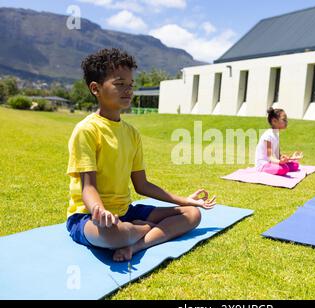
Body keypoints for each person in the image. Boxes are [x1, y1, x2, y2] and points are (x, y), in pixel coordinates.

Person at [66, 48, 216, 262]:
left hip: (126, 212)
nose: (127, 90)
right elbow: (88, 187)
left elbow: (142, 185)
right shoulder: (87, 130)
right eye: (119, 84)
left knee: (192, 214)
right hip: (88, 217)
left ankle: (136, 245)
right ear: (95, 88)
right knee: (113, 235)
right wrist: (99, 211)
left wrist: (186, 200)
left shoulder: (131, 133)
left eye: (130, 85)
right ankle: (146, 229)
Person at [254, 107, 303, 176]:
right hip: (263, 164)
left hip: (272, 162)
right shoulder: (268, 135)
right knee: (284, 169)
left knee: (295, 165)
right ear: (274, 121)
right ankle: (268, 169)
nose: (286, 122)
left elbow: (278, 155)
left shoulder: (276, 134)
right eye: (284, 119)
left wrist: (290, 158)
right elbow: (270, 157)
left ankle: (280, 166)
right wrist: (280, 161)